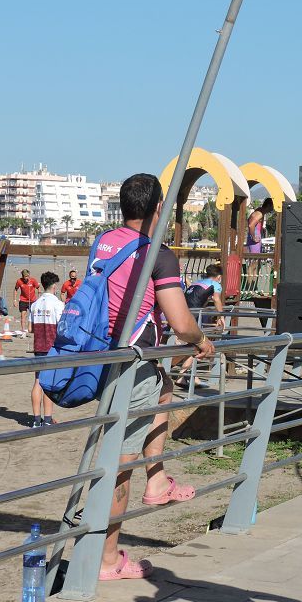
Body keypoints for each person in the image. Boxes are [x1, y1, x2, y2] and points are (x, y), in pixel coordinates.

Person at [97, 173, 214, 581]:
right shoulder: (157, 254)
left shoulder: (105, 243)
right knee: (119, 466)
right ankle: (108, 560)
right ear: (159, 209)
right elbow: (181, 322)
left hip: (102, 357)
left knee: (164, 392)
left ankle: (158, 477)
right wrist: (201, 341)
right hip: (135, 362)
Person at [30, 271, 64, 427]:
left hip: (38, 345)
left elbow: (31, 328)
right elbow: (62, 327)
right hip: (52, 346)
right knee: (48, 383)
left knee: (37, 381)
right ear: (54, 286)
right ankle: (48, 419)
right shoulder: (57, 304)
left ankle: (36, 419)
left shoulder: (35, 304)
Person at [13, 269, 41, 334]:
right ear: (22, 276)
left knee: (34, 315)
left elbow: (38, 288)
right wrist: (15, 300)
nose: (26, 278)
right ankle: (23, 331)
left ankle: (34, 329)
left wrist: (39, 296)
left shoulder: (33, 280)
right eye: (25, 276)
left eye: (27, 276)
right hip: (23, 300)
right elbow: (15, 289)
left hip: (32, 301)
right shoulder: (19, 281)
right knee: (23, 315)